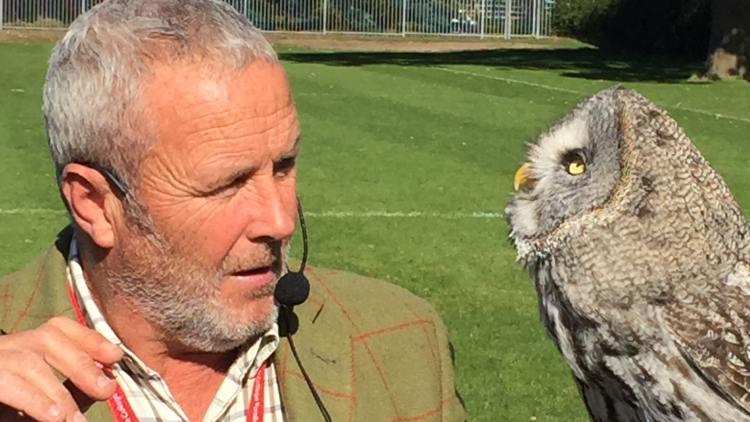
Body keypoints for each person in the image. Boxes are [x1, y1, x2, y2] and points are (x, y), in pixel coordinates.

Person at [0, 0, 467, 421]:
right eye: (227, 184)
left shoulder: (403, 341)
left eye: (283, 167)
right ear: (96, 204)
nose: (280, 221)